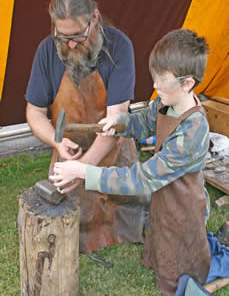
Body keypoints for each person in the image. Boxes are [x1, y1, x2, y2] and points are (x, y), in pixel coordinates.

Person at [50, 28, 211, 295]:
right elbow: (144, 121)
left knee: (182, 257)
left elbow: (143, 179)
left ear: (188, 84)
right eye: (154, 77)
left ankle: (181, 277)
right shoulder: (166, 102)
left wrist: (85, 172)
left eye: (163, 79)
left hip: (185, 205)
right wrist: (120, 122)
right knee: (163, 235)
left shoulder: (193, 132)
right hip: (166, 196)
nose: (155, 85)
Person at [25, 0, 149, 254]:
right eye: (62, 36)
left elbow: (116, 120)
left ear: (94, 18)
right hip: (70, 152)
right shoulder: (47, 50)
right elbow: (34, 112)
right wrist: (57, 144)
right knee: (68, 219)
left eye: (77, 36)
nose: (69, 45)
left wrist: (84, 170)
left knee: (130, 212)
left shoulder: (119, 47)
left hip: (113, 147)